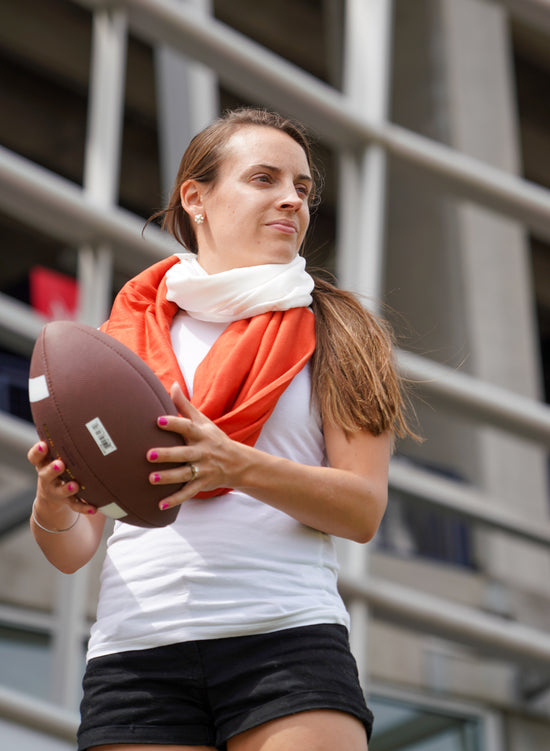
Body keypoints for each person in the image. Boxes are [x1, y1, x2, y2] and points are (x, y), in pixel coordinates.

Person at [27, 108, 416, 751]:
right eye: (264, 178)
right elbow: (73, 550)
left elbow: (362, 509)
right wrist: (53, 505)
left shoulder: (342, 332)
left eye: (303, 187)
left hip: (286, 642)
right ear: (195, 198)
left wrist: (233, 464)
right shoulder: (116, 345)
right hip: (136, 654)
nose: (292, 198)